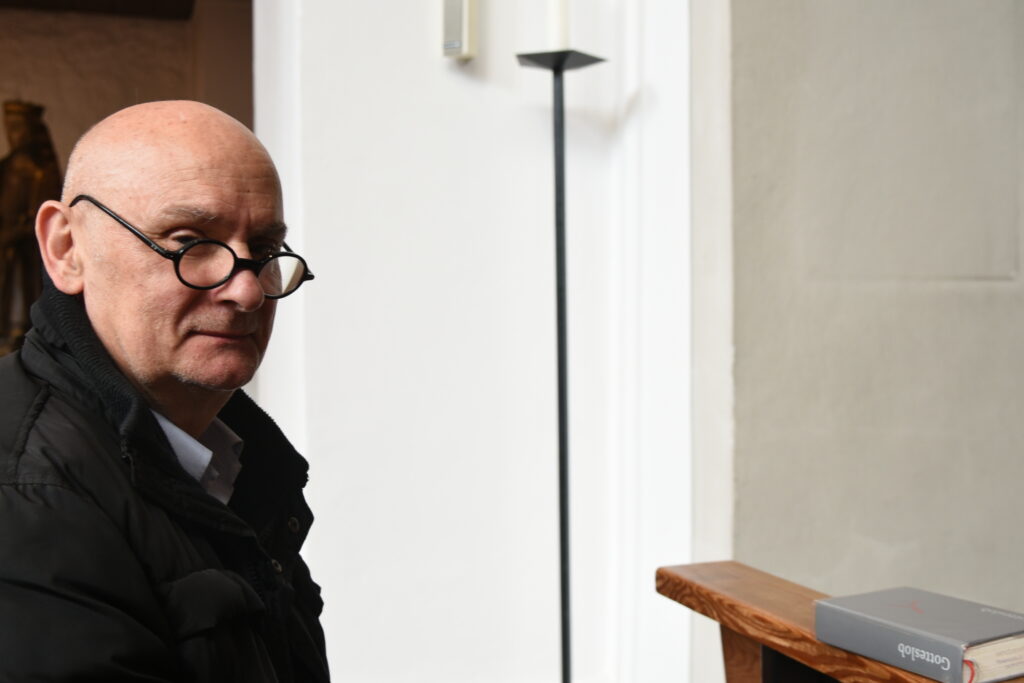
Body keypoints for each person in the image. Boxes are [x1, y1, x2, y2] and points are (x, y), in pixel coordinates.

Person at [0, 101, 328, 682]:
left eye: (265, 251)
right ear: (66, 248)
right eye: (189, 242)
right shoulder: (30, 493)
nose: (247, 292)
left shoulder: (232, 460)